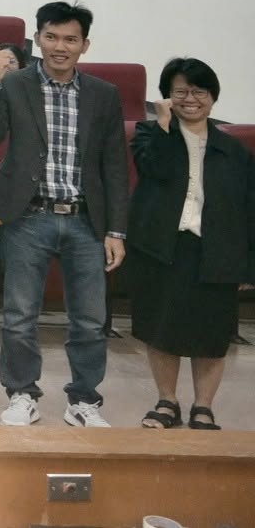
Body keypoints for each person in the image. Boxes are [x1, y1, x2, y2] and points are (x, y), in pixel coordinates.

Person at [0, 0, 128, 428]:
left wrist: (116, 230)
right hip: (28, 216)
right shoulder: (16, 83)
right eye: (51, 37)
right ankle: (22, 394)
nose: (60, 46)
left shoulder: (104, 95)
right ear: (38, 39)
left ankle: (84, 400)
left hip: (86, 220)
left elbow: (114, 166)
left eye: (71, 39)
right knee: (20, 317)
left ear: (85, 45)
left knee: (90, 321)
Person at [129, 58, 254, 432]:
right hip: (163, 248)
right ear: (168, 96)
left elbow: (248, 208)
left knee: (212, 334)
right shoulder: (150, 134)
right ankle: (166, 401)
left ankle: (204, 407)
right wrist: (165, 126)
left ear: (213, 96)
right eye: (180, 91)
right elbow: (156, 168)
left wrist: (247, 264)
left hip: (217, 250)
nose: (190, 99)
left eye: (199, 91)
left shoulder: (233, 150)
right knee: (161, 328)